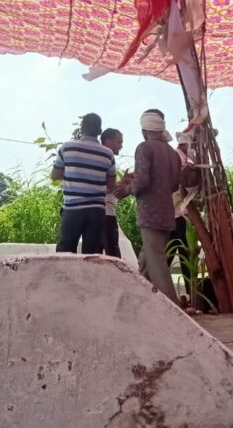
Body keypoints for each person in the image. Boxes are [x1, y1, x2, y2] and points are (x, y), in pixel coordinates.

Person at [121, 109, 182, 305]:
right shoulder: (172, 153)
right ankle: (140, 300)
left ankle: (171, 306)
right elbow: (174, 185)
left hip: (150, 212)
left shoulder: (144, 148)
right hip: (167, 212)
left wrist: (127, 188)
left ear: (144, 130)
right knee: (147, 260)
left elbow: (143, 181)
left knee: (156, 261)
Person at [52, 113, 116, 254]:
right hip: (97, 210)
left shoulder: (67, 148)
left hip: (72, 209)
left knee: (65, 252)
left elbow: (55, 176)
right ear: (100, 131)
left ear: (82, 128)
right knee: (92, 256)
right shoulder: (108, 154)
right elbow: (111, 186)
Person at [167, 132, 193, 293]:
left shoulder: (183, 159)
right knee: (179, 252)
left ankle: (190, 291)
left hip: (178, 213)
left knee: (178, 252)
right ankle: (189, 290)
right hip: (176, 213)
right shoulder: (177, 158)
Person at [100, 128, 125, 258]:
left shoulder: (105, 158)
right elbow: (106, 187)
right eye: (119, 142)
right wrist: (122, 185)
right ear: (108, 142)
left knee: (97, 253)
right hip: (105, 213)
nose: (121, 146)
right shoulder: (103, 159)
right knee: (113, 255)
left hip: (104, 211)